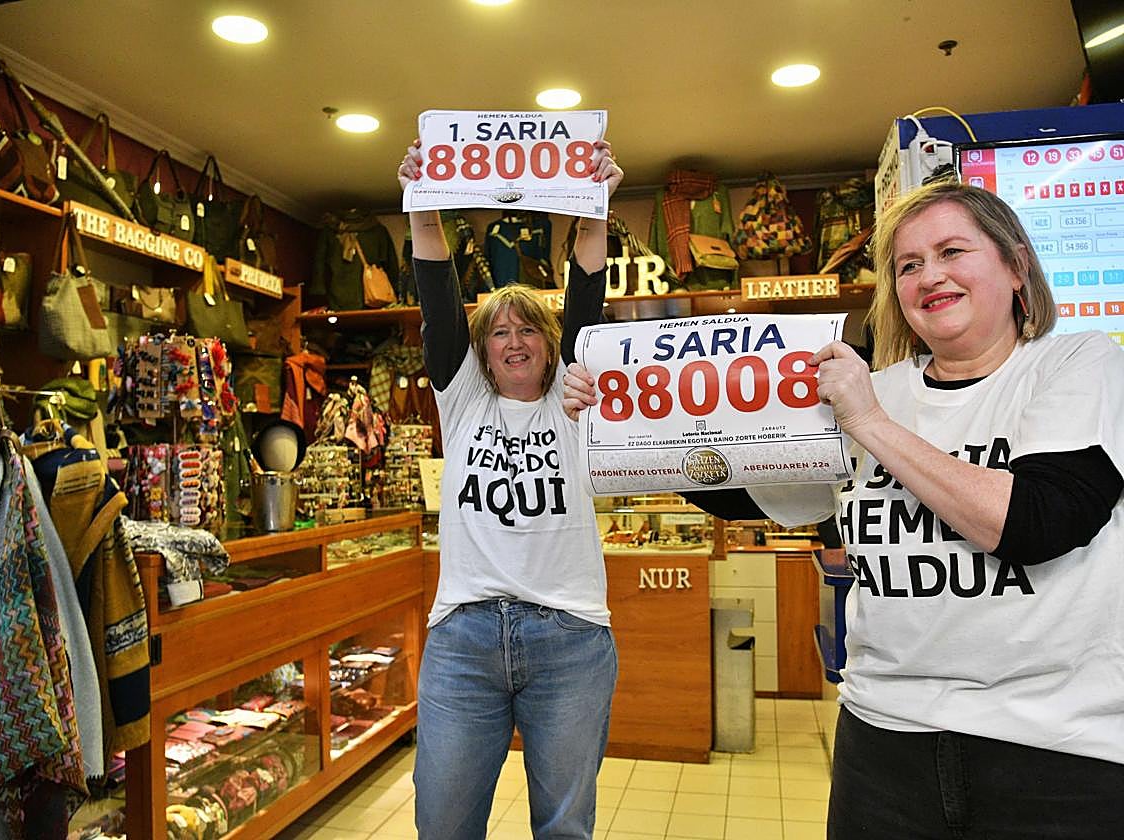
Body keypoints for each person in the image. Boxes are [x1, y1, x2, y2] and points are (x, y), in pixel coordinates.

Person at [563, 181, 1124, 838]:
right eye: (908, 265)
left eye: (951, 251)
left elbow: (1038, 523)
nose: (929, 275)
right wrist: (623, 415)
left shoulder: (1077, 364)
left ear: (1016, 265)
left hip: (1056, 752)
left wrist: (867, 420)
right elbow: (741, 489)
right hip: (883, 743)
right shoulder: (878, 391)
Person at [397, 137, 624, 840]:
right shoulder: (461, 398)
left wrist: (595, 209)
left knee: (563, 828)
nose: (515, 340)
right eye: (499, 333)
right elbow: (438, 295)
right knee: (444, 824)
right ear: (482, 350)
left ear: (552, 346)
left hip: (571, 636)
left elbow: (586, 295)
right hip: (464, 637)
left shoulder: (571, 395)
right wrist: (422, 208)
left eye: (529, 328)